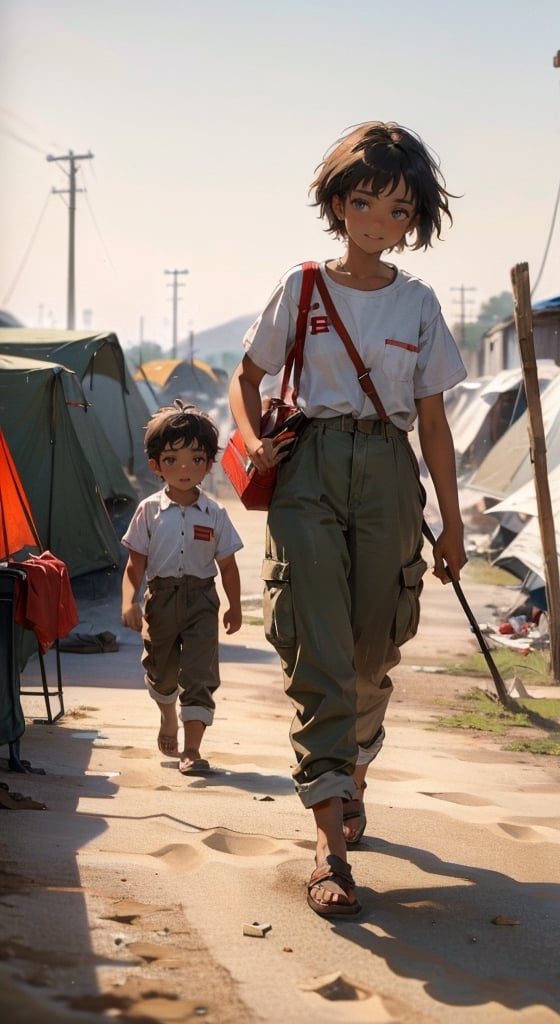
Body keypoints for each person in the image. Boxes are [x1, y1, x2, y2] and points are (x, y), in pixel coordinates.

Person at [228, 121, 467, 917]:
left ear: (414, 219)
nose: (375, 221)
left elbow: (431, 422)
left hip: (390, 472)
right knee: (317, 647)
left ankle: (357, 757)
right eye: (362, 202)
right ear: (337, 203)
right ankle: (330, 847)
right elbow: (248, 374)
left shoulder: (420, 303)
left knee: (374, 647)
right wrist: (254, 436)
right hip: (309, 471)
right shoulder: (300, 289)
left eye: (395, 210)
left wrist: (456, 524)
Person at [121, 401, 243, 776]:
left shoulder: (216, 514)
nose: (185, 469)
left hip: (203, 600)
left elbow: (228, 566)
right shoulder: (148, 511)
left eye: (197, 459)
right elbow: (134, 564)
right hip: (161, 600)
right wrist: (130, 602)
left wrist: (234, 607)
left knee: (201, 674)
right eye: (173, 460)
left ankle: (192, 749)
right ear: (156, 465)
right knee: (162, 670)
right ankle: (167, 717)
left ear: (209, 464)